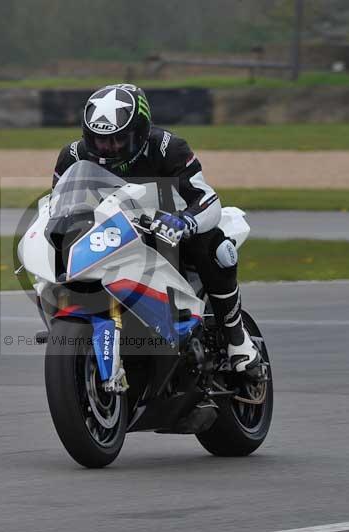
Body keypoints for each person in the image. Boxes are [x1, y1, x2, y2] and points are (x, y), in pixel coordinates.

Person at [52, 83, 260, 374]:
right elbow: (58, 208)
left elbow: (207, 199)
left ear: (140, 131)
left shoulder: (168, 148)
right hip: (112, 237)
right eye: (100, 140)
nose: (108, 148)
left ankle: (237, 338)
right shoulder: (73, 156)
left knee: (216, 247)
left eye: (118, 140)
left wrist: (185, 221)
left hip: (166, 233)